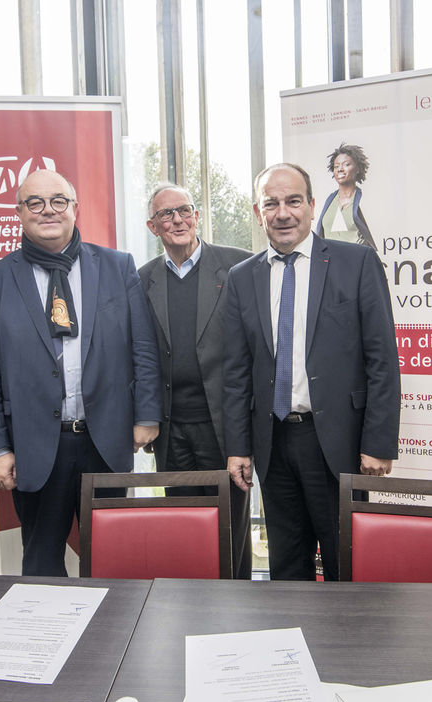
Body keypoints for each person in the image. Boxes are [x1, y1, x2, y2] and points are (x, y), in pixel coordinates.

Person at [0, 169, 161, 576]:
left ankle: (110, 639)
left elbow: (142, 346)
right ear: (19, 212)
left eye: (59, 200)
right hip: (35, 446)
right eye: (35, 203)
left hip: (105, 439)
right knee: (41, 563)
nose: (48, 210)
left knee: (111, 559)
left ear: (75, 208)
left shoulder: (117, 266)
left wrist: (147, 415)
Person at [224, 163, 400, 581]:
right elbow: (235, 371)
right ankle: (293, 643)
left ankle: (348, 647)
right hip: (273, 443)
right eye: (271, 203)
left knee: (348, 563)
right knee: (286, 564)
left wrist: (379, 443)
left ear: (311, 205)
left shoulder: (355, 263)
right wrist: (238, 446)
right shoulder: (241, 278)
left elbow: (382, 360)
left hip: (340, 443)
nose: (283, 212)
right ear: (257, 211)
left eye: (293, 201)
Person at [139, 183, 253, 580]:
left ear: (198, 216)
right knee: (184, 527)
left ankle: (237, 606)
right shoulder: (142, 279)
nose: (177, 220)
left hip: (225, 427)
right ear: (153, 227)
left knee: (231, 528)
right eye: (166, 215)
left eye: (184, 210)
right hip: (171, 431)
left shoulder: (239, 267)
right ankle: (192, 606)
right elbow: (140, 356)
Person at [316, 143, 376, 250]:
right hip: (331, 262)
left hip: (356, 261)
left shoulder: (364, 199)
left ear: (357, 168)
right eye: (336, 166)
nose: (340, 169)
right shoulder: (329, 200)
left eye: (346, 164)